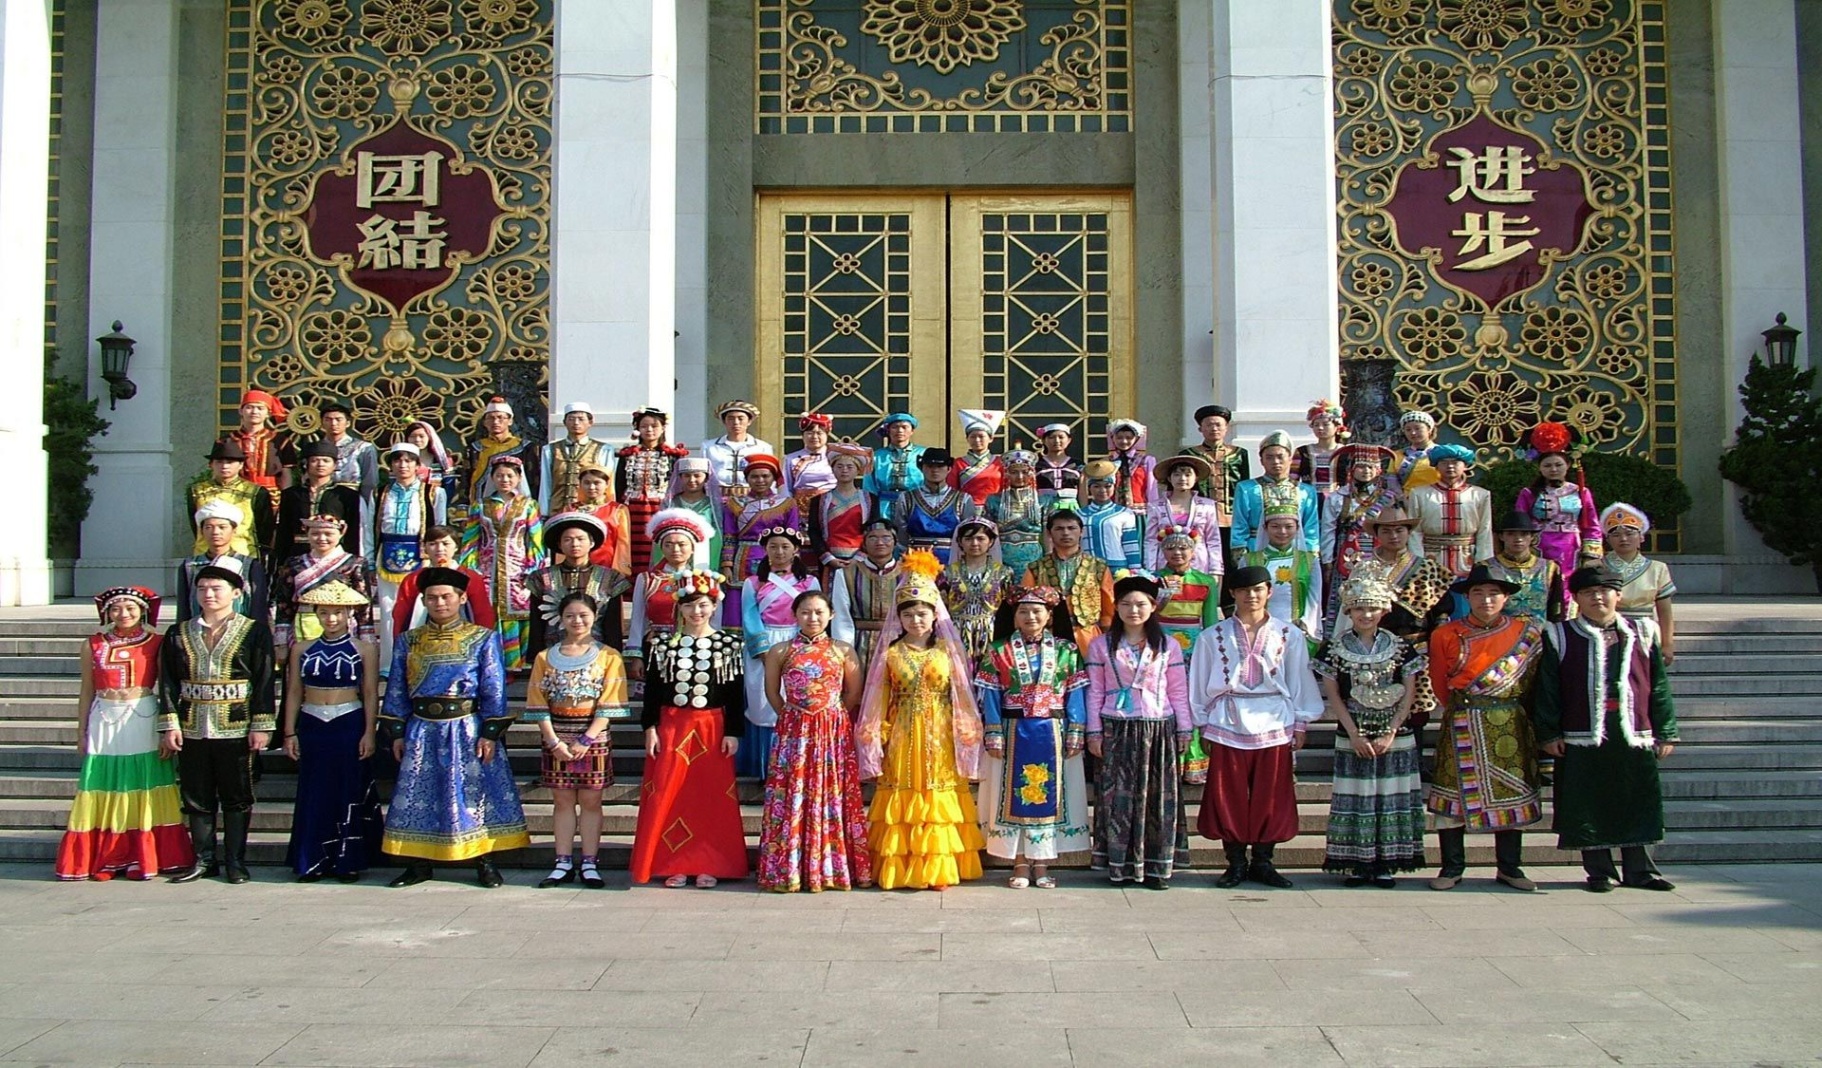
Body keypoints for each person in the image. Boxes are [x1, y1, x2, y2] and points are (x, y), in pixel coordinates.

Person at [378, 567, 528, 888]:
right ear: (423, 601)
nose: (440, 603)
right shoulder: (409, 640)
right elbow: (396, 688)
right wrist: (397, 731)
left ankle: (483, 861)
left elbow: (494, 687)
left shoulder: (483, 638)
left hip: (466, 728)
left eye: (446, 596)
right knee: (419, 792)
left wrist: (490, 732)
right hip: (421, 729)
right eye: (432, 598)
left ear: (461, 599)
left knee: (474, 793)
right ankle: (418, 862)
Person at [1535, 567, 1679, 893]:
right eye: (1588, 592)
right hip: (1581, 732)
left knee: (1635, 797)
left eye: (1604, 591)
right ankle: (1599, 871)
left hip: (1633, 730)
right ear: (1577, 598)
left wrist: (1666, 730)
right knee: (1588, 801)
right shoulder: (1559, 634)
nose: (1597, 598)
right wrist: (1549, 733)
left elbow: (1657, 684)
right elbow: (1548, 687)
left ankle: (1640, 871)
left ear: (1618, 595)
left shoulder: (1643, 631)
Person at [856, 551, 987, 890]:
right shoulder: (890, 653)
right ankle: (901, 865)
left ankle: (939, 866)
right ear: (899, 617)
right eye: (908, 614)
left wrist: (967, 730)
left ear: (934, 615)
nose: (916, 620)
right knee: (904, 788)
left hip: (941, 732)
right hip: (902, 732)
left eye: (922, 613)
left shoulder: (948, 651)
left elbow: (961, 694)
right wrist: (873, 734)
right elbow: (878, 698)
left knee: (938, 788)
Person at [1189, 566, 1324, 889]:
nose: (1252, 596)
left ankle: (1264, 861)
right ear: (1232, 594)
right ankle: (1235, 862)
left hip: (1275, 718)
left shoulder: (1288, 634)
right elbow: (1199, 682)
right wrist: (1202, 723)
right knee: (1229, 795)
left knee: (1271, 794)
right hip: (1227, 717)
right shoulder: (1212, 636)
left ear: (1269, 592)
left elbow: (1299, 679)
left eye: (1258, 589)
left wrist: (1301, 722)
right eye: (1244, 590)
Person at [55, 587, 194, 881]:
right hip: (104, 717)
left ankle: (140, 856)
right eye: (116, 609)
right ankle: (107, 857)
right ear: (106, 613)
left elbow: (167, 687)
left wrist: (166, 727)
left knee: (143, 782)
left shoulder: (157, 643)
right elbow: (86, 690)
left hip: (142, 716)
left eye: (131, 608)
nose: (124, 614)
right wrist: (81, 731)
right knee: (104, 783)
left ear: (143, 611)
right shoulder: (92, 644)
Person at [1426, 562, 1546, 892]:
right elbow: (1439, 683)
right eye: (1478, 593)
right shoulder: (1445, 634)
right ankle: (1451, 867)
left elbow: (1537, 684)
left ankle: (1509, 867)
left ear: (1506, 598)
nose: (1486, 600)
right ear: (1467, 598)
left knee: (1511, 794)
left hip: (1510, 722)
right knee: (1453, 797)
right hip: (1462, 719)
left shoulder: (1527, 634)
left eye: (1494, 593)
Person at [158, 557, 276, 885]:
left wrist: (262, 725)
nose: (208, 594)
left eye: (216, 588)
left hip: (236, 724)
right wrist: (170, 723)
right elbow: (167, 681)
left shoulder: (254, 632)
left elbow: (265, 681)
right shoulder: (179, 632)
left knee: (237, 795)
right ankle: (203, 859)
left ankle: (235, 861)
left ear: (237, 593)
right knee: (196, 795)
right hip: (192, 723)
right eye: (202, 588)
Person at [629, 570, 749, 887]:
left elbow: (735, 694)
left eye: (703, 605)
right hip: (672, 726)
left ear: (714, 607)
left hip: (712, 727)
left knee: (710, 796)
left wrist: (733, 731)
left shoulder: (728, 644)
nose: (697, 611)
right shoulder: (662, 645)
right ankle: (672, 863)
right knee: (669, 792)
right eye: (689, 605)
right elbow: (653, 693)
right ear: (679, 608)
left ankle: (711, 863)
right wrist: (650, 727)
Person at [1313, 564, 1427, 887]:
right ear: (1348, 610)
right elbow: (1333, 695)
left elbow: (1410, 692)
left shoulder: (1401, 647)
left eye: (1373, 608)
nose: (1366, 614)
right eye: (1360, 608)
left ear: (1384, 610)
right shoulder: (1333, 648)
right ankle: (1356, 862)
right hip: (1354, 730)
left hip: (1395, 733)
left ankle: (1386, 862)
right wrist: (1352, 732)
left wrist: (1392, 731)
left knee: (1391, 796)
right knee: (1355, 795)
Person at [975, 587, 1091, 889]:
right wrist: (993, 731)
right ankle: (1019, 863)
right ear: (1014, 617)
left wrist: (1076, 730)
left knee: (1051, 795)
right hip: (1012, 730)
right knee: (1013, 795)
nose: (1030, 616)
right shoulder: (998, 650)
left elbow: (1076, 693)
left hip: (1054, 731)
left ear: (1049, 616)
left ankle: (1042, 862)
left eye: (1037, 611)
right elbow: (990, 695)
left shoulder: (1067, 650)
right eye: (1023, 611)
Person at [759, 589, 871, 892]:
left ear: (831, 615)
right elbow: (772, 692)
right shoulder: (780, 651)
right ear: (795, 615)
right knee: (792, 792)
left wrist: (830, 715)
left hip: (832, 731)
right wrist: (792, 716)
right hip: (794, 731)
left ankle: (832, 868)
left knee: (832, 792)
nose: (812, 618)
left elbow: (853, 693)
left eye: (819, 612)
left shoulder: (843, 650)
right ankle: (790, 869)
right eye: (805, 612)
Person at [1086, 573, 1193, 889]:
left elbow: (1177, 690)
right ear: (1116, 607)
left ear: (1153, 607)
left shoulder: (1168, 645)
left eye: (1141, 604)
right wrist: (1094, 732)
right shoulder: (1101, 645)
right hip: (1116, 726)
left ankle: (1157, 867)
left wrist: (1184, 729)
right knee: (1118, 799)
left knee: (1157, 799)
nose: (1133, 610)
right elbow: (1094, 691)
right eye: (1126, 604)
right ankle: (1120, 866)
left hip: (1158, 727)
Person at [280, 580, 382, 882]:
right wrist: (289, 731)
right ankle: (311, 860)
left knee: (348, 789)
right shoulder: (301, 648)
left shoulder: (365, 649)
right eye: (324, 612)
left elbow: (370, 692)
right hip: (312, 722)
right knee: (313, 792)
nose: (331, 618)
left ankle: (347, 860)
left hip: (348, 721)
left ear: (349, 613)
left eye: (337, 612)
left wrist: (370, 732)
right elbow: (294, 691)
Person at [524, 592, 627, 890]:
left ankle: (590, 862)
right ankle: (563, 861)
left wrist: (587, 738)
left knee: (592, 800)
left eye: (583, 615)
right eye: (570, 615)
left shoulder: (609, 656)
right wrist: (553, 741)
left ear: (595, 617)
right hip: (556, 733)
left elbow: (611, 702)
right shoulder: (545, 657)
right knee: (562, 800)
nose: (577, 621)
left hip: (593, 735)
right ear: (560, 619)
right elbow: (537, 701)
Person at [739, 526, 820, 780]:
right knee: (763, 703)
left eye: (785, 546)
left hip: (798, 642)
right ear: (765, 550)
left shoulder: (809, 582)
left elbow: (814, 615)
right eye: (773, 547)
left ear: (795, 550)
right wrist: (766, 655)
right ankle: (766, 768)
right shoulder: (753, 583)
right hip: (765, 644)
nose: (779, 552)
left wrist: (803, 647)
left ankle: (797, 767)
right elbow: (750, 618)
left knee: (797, 701)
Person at [462, 454, 544, 671]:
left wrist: (533, 568)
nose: (505, 480)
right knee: (486, 611)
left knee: (516, 612)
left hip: (517, 569)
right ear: (492, 478)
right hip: (487, 567)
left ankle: (515, 663)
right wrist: (470, 568)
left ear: (518, 478)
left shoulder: (528, 505)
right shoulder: (480, 506)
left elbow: (536, 540)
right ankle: (489, 661)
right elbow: (470, 540)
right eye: (499, 475)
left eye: (509, 475)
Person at [1154, 527, 1223, 786]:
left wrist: (1212, 655)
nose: (1177, 553)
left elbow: (1211, 622)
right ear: (1163, 551)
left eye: (1183, 548)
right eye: (1171, 548)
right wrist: (1162, 598)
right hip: (1161, 646)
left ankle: (1194, 760)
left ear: (1193, 551)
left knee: (1192, 701)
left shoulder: (1206, 582)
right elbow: (1147, 615)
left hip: (1195, 649)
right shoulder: (1153, 580)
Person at [373, 442, 447, 677]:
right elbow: (368, 527)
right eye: (397, 460)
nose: (402, 465)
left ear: (417, 465)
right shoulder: (379, 493)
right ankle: (388, 663)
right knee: (388, 610)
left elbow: (440, 526)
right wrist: (367, 558)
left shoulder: (433, 492)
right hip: (387, 554)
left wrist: (438, 557)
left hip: (419, 555)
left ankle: (415, 661)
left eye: (408, 461)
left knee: (418, 609)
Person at [272, 515, 376, 669]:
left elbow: (364, 604)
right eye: (315, 533)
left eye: (328, 534)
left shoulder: (354, 563)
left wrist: (366, 639)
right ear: (307, 534)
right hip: (302, 627)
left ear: (340, 534)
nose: (322, 538)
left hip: (342, 625)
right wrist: (281, 642)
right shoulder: (294, 563)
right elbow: (284, 603)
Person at [627, 508, 716, 682]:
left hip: (697, 646)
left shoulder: (705, 579)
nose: (675, 549)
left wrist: (712, 647)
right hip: (656, 648)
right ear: (661, 548)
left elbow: (714, 620)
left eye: (682, 544)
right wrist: (636, 655)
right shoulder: (648, 579)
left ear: (692, 548)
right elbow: (638, 619)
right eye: (668, 544)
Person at [525, 511, 629, 658]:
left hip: (597, 654)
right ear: (559, 544)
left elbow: (614, 624)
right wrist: (536, 657)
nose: (575, 544)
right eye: (568, 539)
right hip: (552, 653)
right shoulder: (541, 577)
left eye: (580, 539)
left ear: (591, 543)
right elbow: (536, 623)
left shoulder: (610, 578)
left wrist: (613, 656)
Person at [1515, 421, 1601, 593]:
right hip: (1539, 547)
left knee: (1570, 588)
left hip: (1572, 547)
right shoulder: (1528, 493)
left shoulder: (1580, 491)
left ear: (1568, 465)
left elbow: (1592, 524)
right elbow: (1520, 525)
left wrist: (1591, 553)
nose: (1553, 469)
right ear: (1539, 468)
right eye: (1547, 465)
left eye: (1558, 465)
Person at [1319, 443, 1398, 629]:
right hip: (1346, 554)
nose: (1366, 471)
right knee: (1345, 596)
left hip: (1379, 553)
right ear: (1351, 469)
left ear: (1378, 470)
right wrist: (1327, 561)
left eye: (1371, 467)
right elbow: (1328, 530)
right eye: (1361, 466)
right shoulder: (1337, 497)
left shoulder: (1388, 498)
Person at [1023, 509, 1114, 652]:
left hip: (1088, 636)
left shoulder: (1098, 566)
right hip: (1047, 636)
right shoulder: (1035, 568)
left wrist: (1107, 637)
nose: (1066, 533)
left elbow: (1108, 606)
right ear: (1049, 533)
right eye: (1059, 529)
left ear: (1081, 532)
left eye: (1071, 528)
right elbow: (1025, 605)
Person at [1180, 405, 1249, 590]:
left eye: (1218, 425)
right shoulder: (1189, 455)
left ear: (1226, 428)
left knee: (1231, 560)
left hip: (1232, 518)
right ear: (1200, 428)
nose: (1214, 429)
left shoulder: (1239, 454)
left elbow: (1244, 487)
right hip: (1200, 517)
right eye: (1209, 425)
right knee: (1202, 558)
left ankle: (1230, 599)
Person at [1601, 503, 1677, 663]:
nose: (1623, 539)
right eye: (1616, 535)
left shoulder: (1657, 568)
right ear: (1608, 539)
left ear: (1641, 537)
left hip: (1646, 632)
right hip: (1606, 631)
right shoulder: (1596, 567)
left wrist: (1667, 644)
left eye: (1629, 533)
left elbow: (1665, 611)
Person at [616, 406, 691, 569]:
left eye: (654, 426)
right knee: (629, 547)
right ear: (637, 428)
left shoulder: (673, 455)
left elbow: (678, 486)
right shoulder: (627, 455)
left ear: (663, 428)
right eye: (644, 426)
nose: (649, 430)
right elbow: (619, 484)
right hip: (630, 510)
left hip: (661, 508)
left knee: (658, 544)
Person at [1237, 501, 1323, 640]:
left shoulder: (1309, 561)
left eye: (1289, 527)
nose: (1282, 532)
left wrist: (1306, 625)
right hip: (1259, 631)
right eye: (1275, 526)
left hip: (1298, 631)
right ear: (1265, 528)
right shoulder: (1249, 560)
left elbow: (1314, 598)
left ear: (1297, 528)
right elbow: (1242, 598)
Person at [389, 524, 497, 635]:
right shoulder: (413, 579)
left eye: (446, 544)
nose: (440, 549)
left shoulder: (470, 577)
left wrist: (484, 639)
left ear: (456, 547)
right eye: (432, 544)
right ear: (425, 548)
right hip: (421, 639)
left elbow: (482, 612)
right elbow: (401, 615)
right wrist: (400, 640)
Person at [1407, 443, 1493, 580]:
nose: (1450, 466)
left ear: (1465, 465)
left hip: (1466, 559)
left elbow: (1485, 529)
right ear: (1436, 466)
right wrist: (1418, 561)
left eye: (1455, 462)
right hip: (1432, 560)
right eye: (1444, 462)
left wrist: (1482, 562)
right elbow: (1414, 531)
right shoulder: (1419, 494)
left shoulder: (1480, 494)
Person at [176, 502, 270, 624]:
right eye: (208, 527)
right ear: (202, 531)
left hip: (240, 631)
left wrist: (257, 632)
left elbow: (258, 607)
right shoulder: (189, 566)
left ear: (234, 530)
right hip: (197, 629)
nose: (215, 532)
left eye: (222, 527)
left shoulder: (250, 565)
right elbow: (183, 608)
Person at [718, 453, 799, 592]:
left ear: (773, 478)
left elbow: (793, 537)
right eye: (754, 476)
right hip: (743, 560)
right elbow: (729, 536)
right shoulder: (735, 503)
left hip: (777, 559)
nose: (760, 480)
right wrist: (727, 566)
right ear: (747, 479)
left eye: (765, 476)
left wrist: (794, 564)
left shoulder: (786, 504)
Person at [829, 518, 902, 670]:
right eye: (873, 537)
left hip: (899, 642)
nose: (880, 542)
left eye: (886, 537)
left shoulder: (909, 573)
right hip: (859, 644)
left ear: (895, 542)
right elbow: (841, 617)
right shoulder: (846, 574)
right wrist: (845, 652)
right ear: (864, 543)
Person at [1229, 431, 1319, 553]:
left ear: (1290, 459)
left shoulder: (1305, 491)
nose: (1275, 461)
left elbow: (1311, 528)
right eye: (1269, 457)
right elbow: (1239, 524)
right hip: (1256, 549)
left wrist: (1311, 553)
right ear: (1261, 461)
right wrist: (1240, 552)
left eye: (1280, 457)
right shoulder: (1247, 489)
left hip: (1296, 549)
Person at [187, 439, 274, 561]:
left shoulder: (256, 492)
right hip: (205, 553)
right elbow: (195, 524)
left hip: (244, 553)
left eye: (230, 462)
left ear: (241, 465)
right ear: (210, 464)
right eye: (219, 462)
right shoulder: (196, 491)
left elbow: (264, 528)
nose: (225, 466)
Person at [942, 517, 1015, 664]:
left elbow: (1008, 609)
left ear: (991, 541)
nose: (974, 543)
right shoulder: (947, 573)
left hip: (992, 633)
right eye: (968, 539)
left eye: (980, 538)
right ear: (960, 542)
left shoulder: (1004, 573)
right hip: (956, 633)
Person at [277, 439, 363, 559]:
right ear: (306, 464)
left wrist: (350, 560)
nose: (320, 464)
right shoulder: (291, 494)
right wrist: (281, 561)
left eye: (326, 461)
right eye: (314, 460)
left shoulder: (346, 495)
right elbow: (284, 531)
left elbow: (353, 532)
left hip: (333, 555)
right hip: (298, 554)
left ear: (334, 465)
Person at [319, 399, 381, 555]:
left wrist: (367, 505)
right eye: (328, 419)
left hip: (353, 497)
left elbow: (370, 481)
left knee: (356, 537)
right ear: (322, 423)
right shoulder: (317, 448)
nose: (333, 423)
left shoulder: (363, 448)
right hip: (323, 496)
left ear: (347, 423)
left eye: (338, 419)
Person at [894, 449, 977, 563]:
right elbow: (901, 533)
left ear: (949, 469)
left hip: (953, 560)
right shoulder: (907, 498)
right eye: (929, 466)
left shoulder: (963, 499)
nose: (935, 470)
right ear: (921, 468)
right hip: (916, 560)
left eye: (940, 466)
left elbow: (969, 533)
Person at [1481, 511, 1565, 624]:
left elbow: (1556, 607)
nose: (1518, 539)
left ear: (1532, 537)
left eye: (1524, 534)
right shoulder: (1485, 567)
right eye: (1511, 534)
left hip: (1539, 631)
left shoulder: (1549, 568)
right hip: (1500, 631)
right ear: (1501, 536)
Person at [1144, 455, 1221, 574]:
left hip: (1199, 564)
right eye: (1177, 474)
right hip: (1165, 565)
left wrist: (1216, 571)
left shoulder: (1207, 505)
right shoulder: (1155, 507)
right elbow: (1151, 541)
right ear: (1169, 478)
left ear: (1196, 478)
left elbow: (1213, 540)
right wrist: (1150, 571)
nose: (1182, 478)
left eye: (1188, 475)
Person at [465, 395, 540, 514]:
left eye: (500, 418)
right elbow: (466, 479)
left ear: (510, 421)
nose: (495, 422)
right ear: (484, 422)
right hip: (481, 506)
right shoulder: (475, 448)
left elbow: (534, 480)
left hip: (517, 506)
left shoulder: (525, 447)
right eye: (491, 418)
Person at [809, 445, 874, 577]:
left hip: (861, 559)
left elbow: (873, 530)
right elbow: (814, 531)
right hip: (830, 560)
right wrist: (828, 558)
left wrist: (859, 557)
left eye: (850, 467)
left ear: (858, 471)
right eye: (839, 466)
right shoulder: (819, 501)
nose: (844, 470)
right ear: (832, 469)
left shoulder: (870, 500)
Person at [539, 401, 612, 516]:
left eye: (581, 419)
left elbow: (608, 485)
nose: (576, 423)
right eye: (571, 419)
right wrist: (543, 513)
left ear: (590, 422)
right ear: (564, 422)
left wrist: (607, 512)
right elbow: (545, 484)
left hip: (590, 512)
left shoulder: (604, 449)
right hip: (557, 511)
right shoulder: (550, 450)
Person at [986, 447, 1047, 576]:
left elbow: (1048, 534)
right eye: (1014, 472)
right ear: (1006, 474)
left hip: (1033, 555)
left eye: (1025, 472)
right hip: (1002, 555)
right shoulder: (993, 500)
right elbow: (988, 534)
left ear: (1032, 473)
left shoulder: (1044, 501)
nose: (1020, 477)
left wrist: (1049, 558)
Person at [227, 389, 294, 500]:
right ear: (241, 411)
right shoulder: (227, 440)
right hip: (236, 494)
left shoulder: (280, 441)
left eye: (260, 408)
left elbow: (286, 474)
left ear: (268, 413)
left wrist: (286, 498)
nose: (254, 412)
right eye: (249, 407)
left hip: (271, 495)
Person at [704, 399, 774, 503]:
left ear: (749, 421)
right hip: (717, 498)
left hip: (753, 498)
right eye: (731, 418)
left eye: (741, 418)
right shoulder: (709, 447)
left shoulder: (763, 447)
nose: (736, 423)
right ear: (724, 421)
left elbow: (770, 477)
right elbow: (703, 475)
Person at [1077, 460, 1141, 570]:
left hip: (1117, 568)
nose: (1102, 490)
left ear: (1114, 487)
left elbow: (1130, 544)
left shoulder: (1125, 513)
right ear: (1089, 488)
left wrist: (1135, 569)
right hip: (1086, 568)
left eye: (1107, 486)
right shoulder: (1079, 514)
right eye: (1096, 486)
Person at [661, 455, 722, 570]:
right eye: (687, 476)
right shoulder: (670, 504)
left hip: (706, 556)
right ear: (680, 477)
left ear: (706, 478)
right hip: (675, 555)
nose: (692, 480)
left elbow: (718, 534)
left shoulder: (714, 505)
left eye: (697, 476)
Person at [864, 412, 927, 518]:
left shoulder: (923, 454)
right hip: (883, 510)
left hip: (917, 508)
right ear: (888, 430)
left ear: (912, 431)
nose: (900, 430)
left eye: (904, 427)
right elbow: (869, 487)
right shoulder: (876, 457)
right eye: (895, 427)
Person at [575, 464, 633, 578]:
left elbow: (623, 543)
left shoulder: (617, 510)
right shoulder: (570, 509)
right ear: (580, 484)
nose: (591, 487)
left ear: (607, 484)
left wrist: (619, 571)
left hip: (606, 568)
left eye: (597, 483)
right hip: (575, 567)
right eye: (586, 483)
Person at [950, 409, 1005, 505]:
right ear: (967, 439)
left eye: (981, 436)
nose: (977, 440)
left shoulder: (1000, 463)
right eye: (973, 437)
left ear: (991, 438)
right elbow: (952, 489)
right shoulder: (958, 463)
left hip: (995, 508)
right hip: (966, 507)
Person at [405, 419, 463, 511]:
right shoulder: (402, 462)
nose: (417, 440)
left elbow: (449, 487)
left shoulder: (442, 461)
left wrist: (441, 507)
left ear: (429, 437)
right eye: (412, 436)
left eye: (421, 436)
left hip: (436, 506)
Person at [1292, 399, 1348, 494]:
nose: (1320, 428)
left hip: (1339, 499)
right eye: (1316, 425)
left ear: (1337, 427)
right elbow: (1292, 480)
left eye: (1325, 424)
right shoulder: (1302, 452)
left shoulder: (1346, 452)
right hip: (1309, 498)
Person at [782, 412, 837, 499]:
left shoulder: (836, 456)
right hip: (802, 504)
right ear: (802, 435)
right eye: (809, 433)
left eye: (819, 433)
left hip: (832, 502)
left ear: (827, 435)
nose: (814, 437)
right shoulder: (791, 459)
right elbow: (786, 488)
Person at [1105, 418, 1156, 507]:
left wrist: (1154, 508)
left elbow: (1152, 489)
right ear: (1112, 438)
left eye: (1129, 438)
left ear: (1136, 439)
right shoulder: (1107, 462)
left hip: (1139, 510)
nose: (1124, 441)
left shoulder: (1146, 461)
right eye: (1119, 437)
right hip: (1113, 510)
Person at [1393, 410, 1441, 494]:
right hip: (1407, 499)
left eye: (1418, 428)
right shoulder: (1397, 455)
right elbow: (1392, 482)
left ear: (1429, 429)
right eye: (1408, 429)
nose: (1413, 433)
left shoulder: (1442, 453)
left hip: (1436, 498)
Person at [1033, 422, 1081, 502]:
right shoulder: (1036, 464)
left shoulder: (1078, 465)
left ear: (1069, 440)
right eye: (1051, 437)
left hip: (1071, 506)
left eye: (1061, 437)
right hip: (1043, 505)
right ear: (1043, 440)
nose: (1057, 441)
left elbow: (1082, 492)